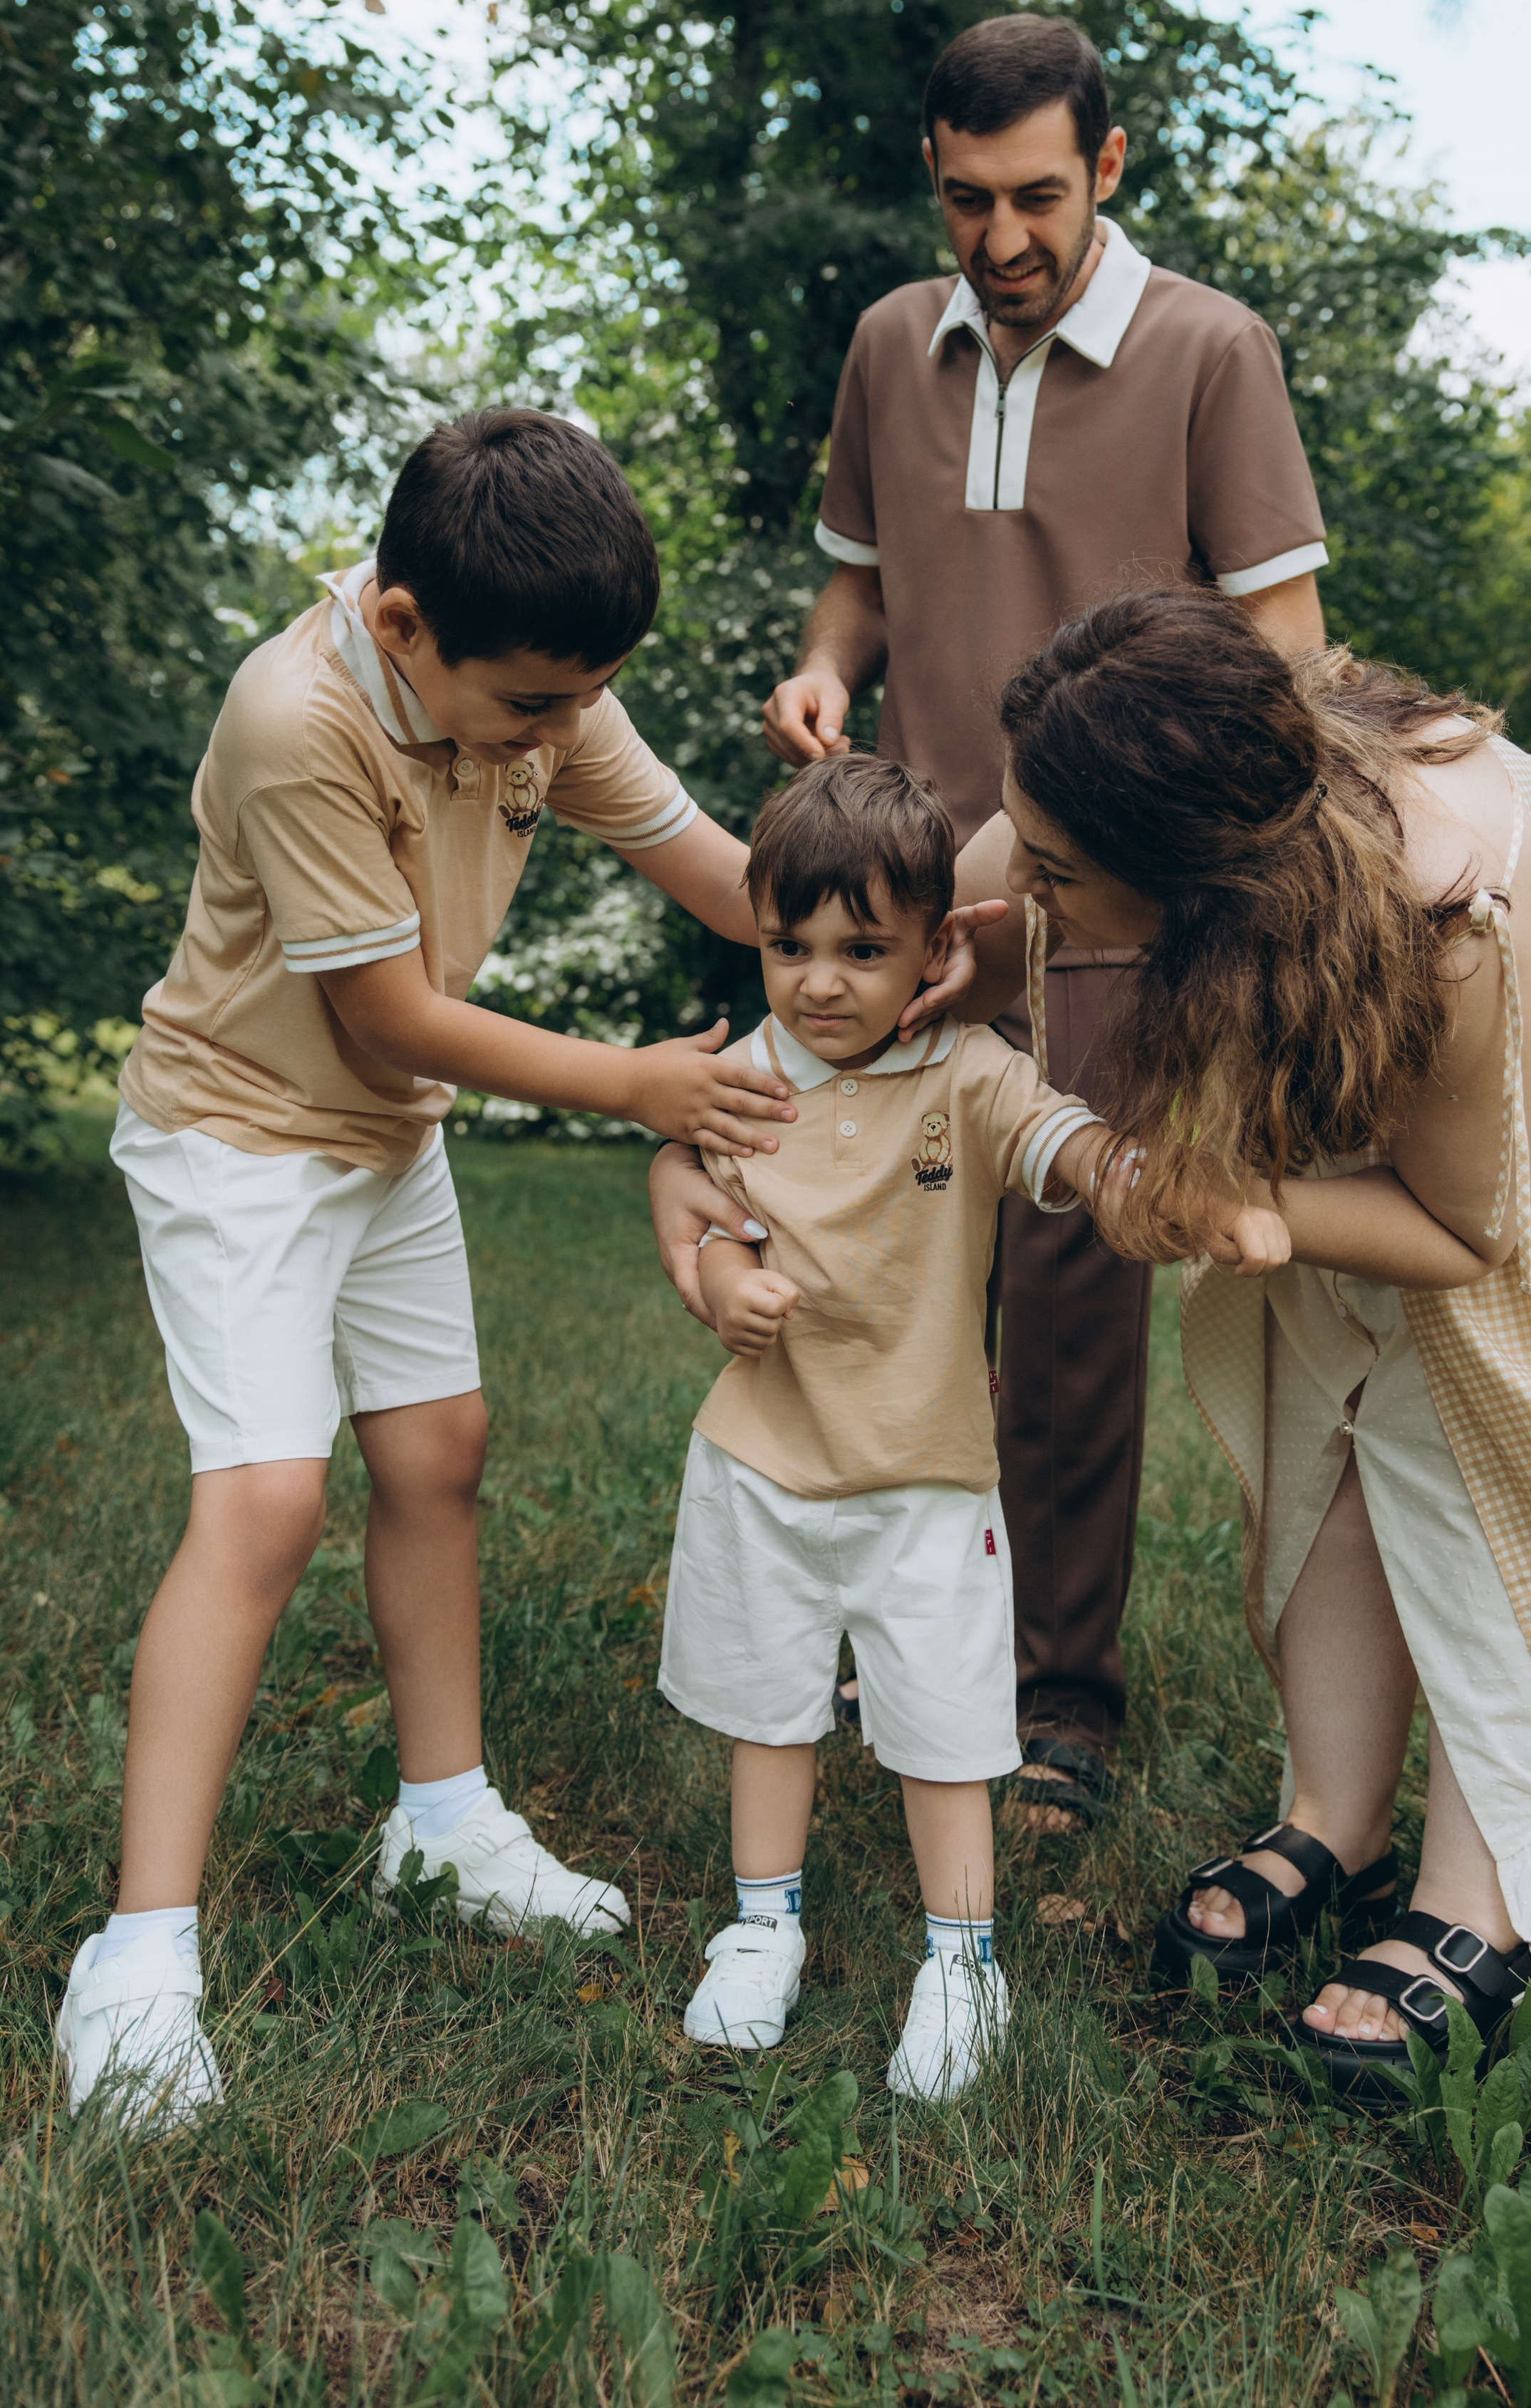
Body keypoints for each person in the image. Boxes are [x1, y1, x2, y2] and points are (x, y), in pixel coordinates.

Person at [61, 407, 920, 2131]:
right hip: (241, 1140)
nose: (561, 732)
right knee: (263, 1509)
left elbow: (717, 872)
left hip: (384, 1145)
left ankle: (442, 1822)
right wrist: (639, 1086)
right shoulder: (298, 720)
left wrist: (906, 928)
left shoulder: (544, 688)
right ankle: (137, 1955)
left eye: (579, 697)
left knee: (437, 1455)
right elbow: (381, 1019)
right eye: (535, 703)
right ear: (401, 628)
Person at [949, 587, 1531, 2096]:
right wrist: (962, 937)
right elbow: (1021, 853)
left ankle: (1489, 1889)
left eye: (1059, 879)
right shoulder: (1187, 807)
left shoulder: (1430, 927)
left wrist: (1204, 1195)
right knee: (1330, 1370)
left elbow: (1465, 1233)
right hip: (1377, 973)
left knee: (1485, 1421)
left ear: (1189, 877)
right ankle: (1336, 1812)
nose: (1036, 903)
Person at [754, 13, 1329, 1832]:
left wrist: (1080, 825)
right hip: (896, 919)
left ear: (1109, 162)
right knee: (874, 1273)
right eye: (959, 199)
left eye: (1031, 196)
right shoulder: (880, 347)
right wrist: (817, 671)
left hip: (1099, 918)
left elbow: (1289, 660)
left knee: (1069, 1307)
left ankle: (1052, 1697)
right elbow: (857, 577)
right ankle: (878, 1625)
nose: (995, 239)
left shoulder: (1206, 353)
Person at [655, 755, 1114, 2099]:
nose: (820, 980)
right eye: (789, 946)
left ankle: (963, 1958)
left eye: (862, 948)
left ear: (932, 945)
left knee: (947, 1728)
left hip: (923, 1475)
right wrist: (723, 1280)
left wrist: (1119, 1170)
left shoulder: (965, 1073)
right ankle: (762, 1923)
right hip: (764, 1465)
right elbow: (689, 1189)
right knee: (769, 1711)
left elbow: (1055, 1139)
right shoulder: (744, 1076)